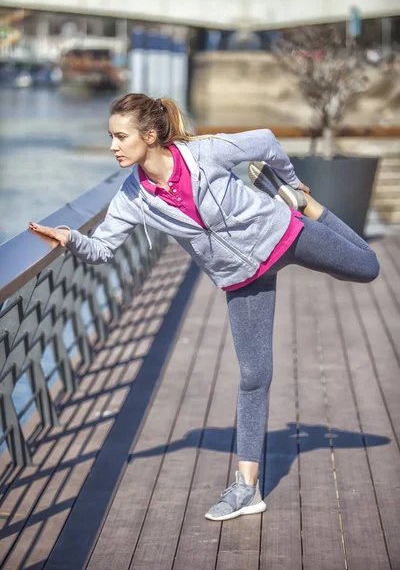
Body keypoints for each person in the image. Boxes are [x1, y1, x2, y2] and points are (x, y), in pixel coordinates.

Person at [28, 93, 380, 522]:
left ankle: (307, 206)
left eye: (121, 137)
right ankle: (246, 489)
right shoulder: (133, 197)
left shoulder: (202, 154)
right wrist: (69, 237)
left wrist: (292, 185)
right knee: (254, 375)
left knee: (366, 267)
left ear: (150, 135)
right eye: (110, 138)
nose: (113, 146)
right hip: (240, 276)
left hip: (281, 232)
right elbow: (102, 248)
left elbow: (267, 141)